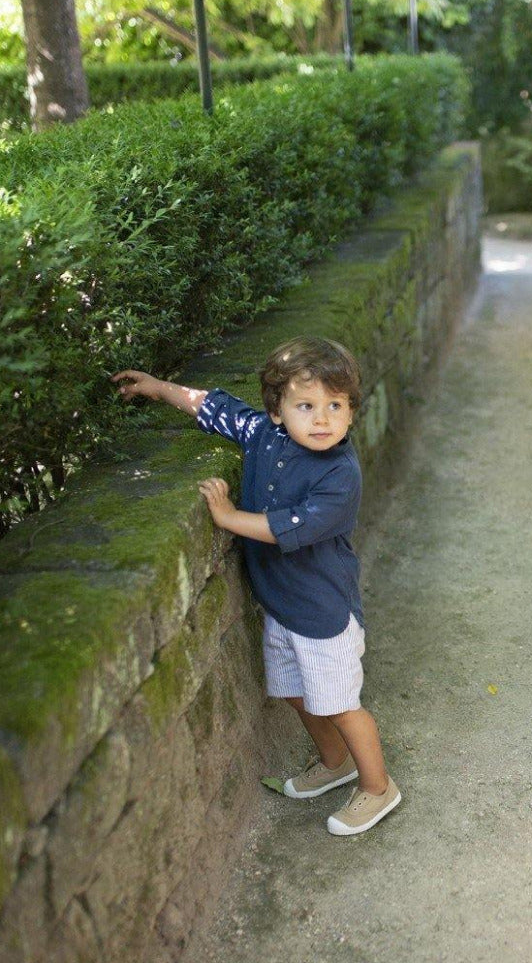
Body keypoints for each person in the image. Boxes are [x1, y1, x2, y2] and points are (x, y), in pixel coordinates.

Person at [113, 336, 400, 835]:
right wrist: (159, 388)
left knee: (340, 705)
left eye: (336, 406)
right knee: (295, 694)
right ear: (276, 411)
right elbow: (214, 408)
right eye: (306, 406)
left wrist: (228, 517)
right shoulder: (263, 434)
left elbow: (287, 526)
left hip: (324, 614)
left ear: (352, 411)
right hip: (282, 605)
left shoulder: (340, 475)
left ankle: (378, 787)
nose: (322, 419)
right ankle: (336, 763)